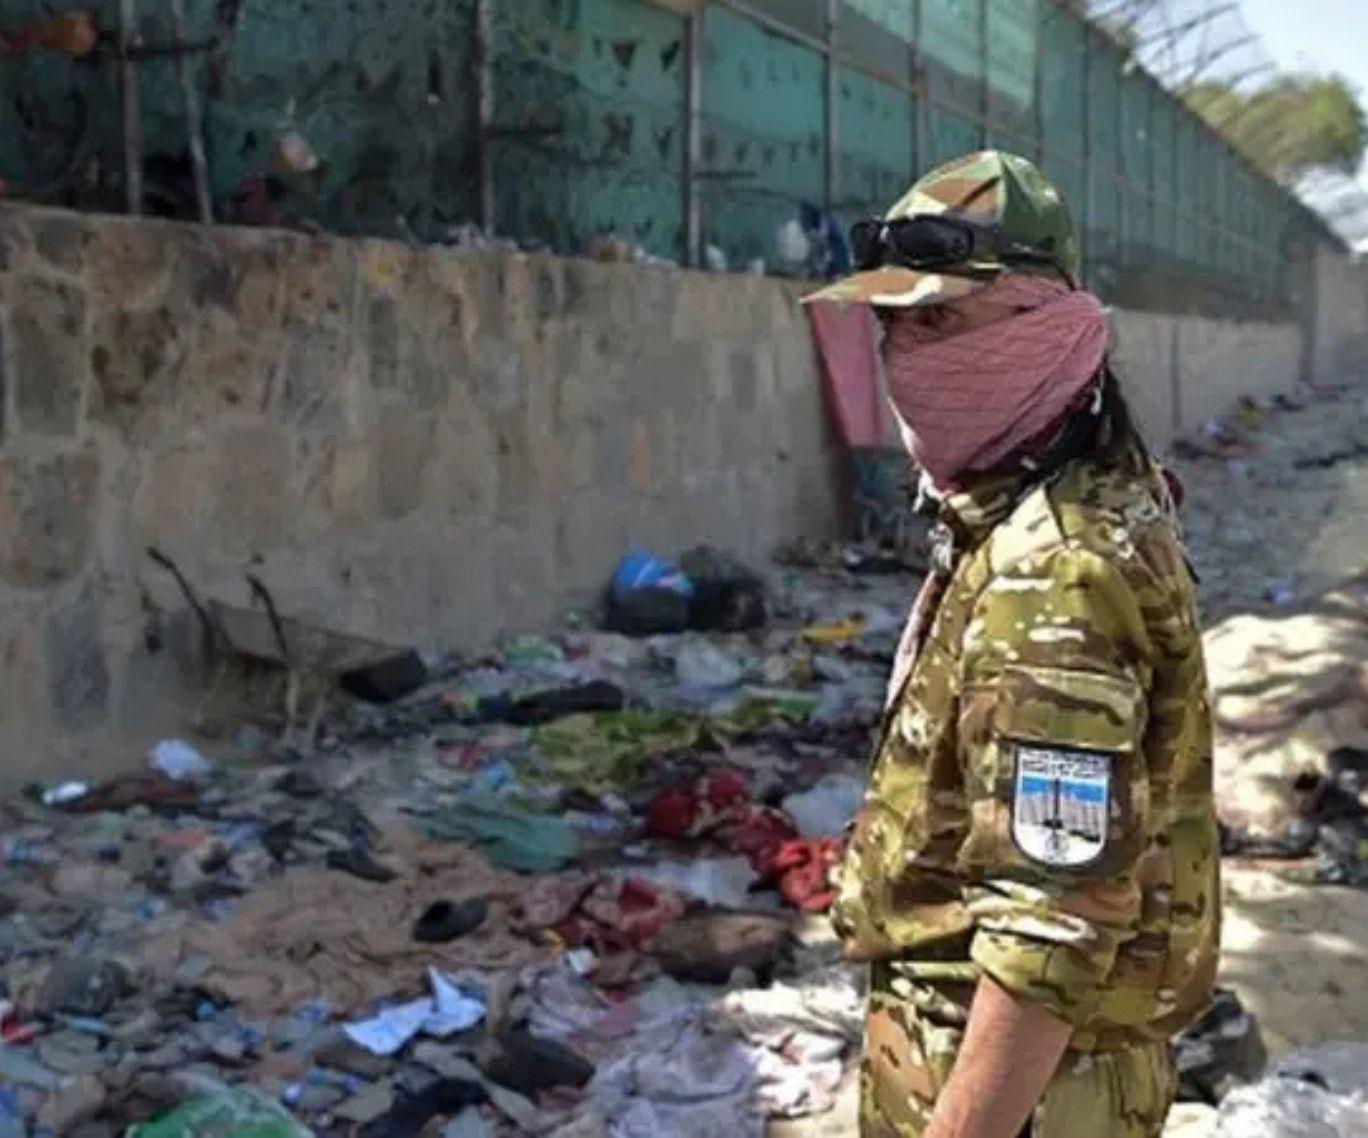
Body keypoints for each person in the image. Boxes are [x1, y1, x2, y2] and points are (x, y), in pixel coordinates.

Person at [803, 151, 1220, 1138]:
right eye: (894, 325)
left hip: (1017, 1094)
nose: (908, 357)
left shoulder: (1054, 570)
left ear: (1046, 328)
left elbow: (1053, 923)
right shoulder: (1050, 502)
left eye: (940, 321)